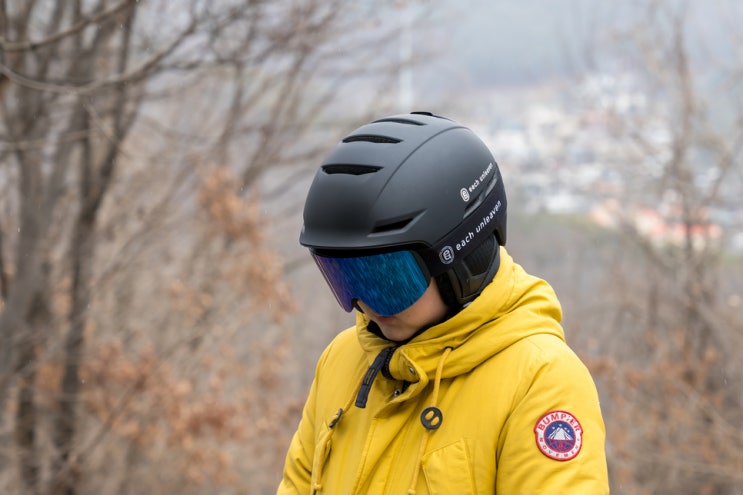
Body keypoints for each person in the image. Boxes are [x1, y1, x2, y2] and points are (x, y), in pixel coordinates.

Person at [277, 112, 609, 494]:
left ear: (460, 261)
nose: (365, 304)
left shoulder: (540, 382)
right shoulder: (342, 361)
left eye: (388, 280)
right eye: (345, 278)